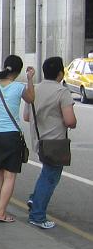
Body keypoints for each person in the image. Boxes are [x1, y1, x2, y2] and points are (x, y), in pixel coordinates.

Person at [22, 56, 76, 229]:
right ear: (61, 73)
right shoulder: (62, 92)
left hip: (39, 140)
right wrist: (72, 123)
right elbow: (70, 121)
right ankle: (37, 216)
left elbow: (26, 116)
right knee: (50, 178)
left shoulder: (33, 89)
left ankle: (34, 199)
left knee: (46, 173)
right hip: (55, 143)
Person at [0, 54, 35, 223]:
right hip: (11, 137)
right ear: (18, 72)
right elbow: (31, 99)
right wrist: (30, 79)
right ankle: (1, 214)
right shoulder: (18, 87)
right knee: (10, 176)